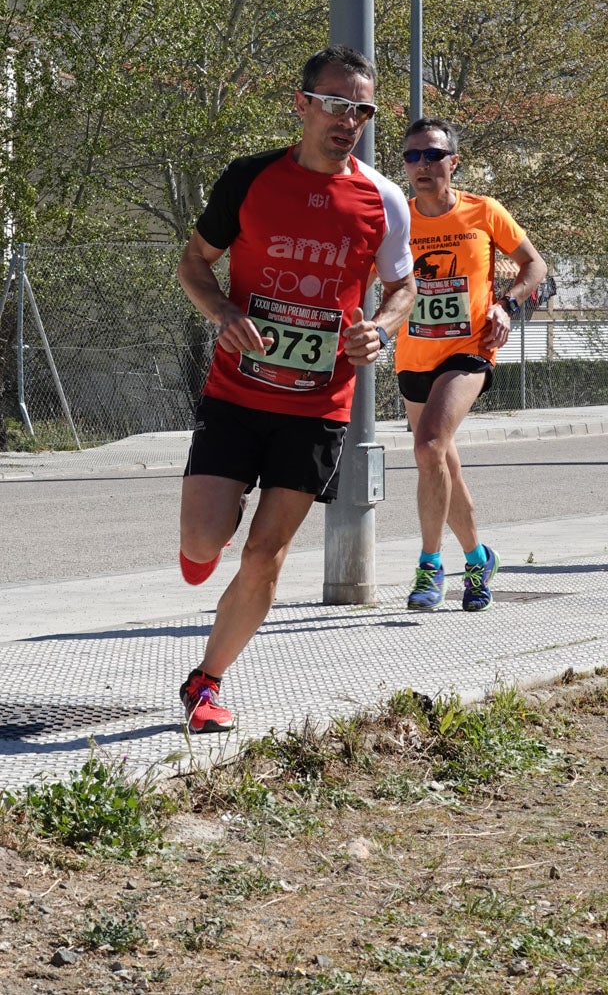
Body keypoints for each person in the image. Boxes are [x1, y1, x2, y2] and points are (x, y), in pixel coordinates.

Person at [176, 45, 416, 733]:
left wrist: (380, 329)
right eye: (336, 105)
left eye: (362, 110)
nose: (349, 120)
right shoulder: (249, 179)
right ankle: (202, 548)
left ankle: (208, 681)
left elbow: (402, 286)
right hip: (236, 392)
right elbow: (195, 261)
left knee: (265, 553)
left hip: (318, 407)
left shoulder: (382, 199)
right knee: (203, 542)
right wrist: (223, 311)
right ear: (303, 104)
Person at [394, 117, 547, 613]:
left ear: (452, 162)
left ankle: (430, 564)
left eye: (432, 155)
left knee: (430, 444)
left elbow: (534, 266)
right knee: (440, 462)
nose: (422, 165)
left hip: (469, 350)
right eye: (412, 155)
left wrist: (508, 304)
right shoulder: (396, 217)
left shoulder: (485, 211)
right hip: (413, 354)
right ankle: (479, 558)